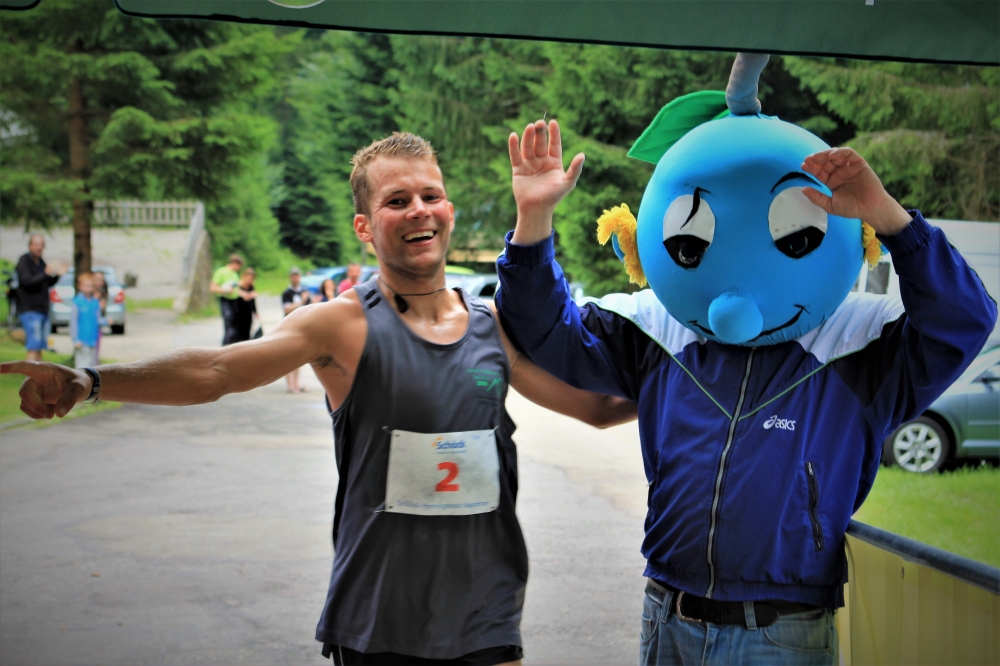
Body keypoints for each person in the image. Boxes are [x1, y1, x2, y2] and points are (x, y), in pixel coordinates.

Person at [2, 131, 637, 666]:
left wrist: (691, 364)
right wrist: (91, 381)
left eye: (430, 196)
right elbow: (216, 371)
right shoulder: (339, 325)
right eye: (397, 201)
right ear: (365, 227)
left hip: (487, 614)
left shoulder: (491, 324)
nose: (419, 210)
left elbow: (599, 408)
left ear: (448, 207)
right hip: (379, 622)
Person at [494, 119, 996, 665]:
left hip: (784, 631)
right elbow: (546, 329)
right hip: (668, 613)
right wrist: (534, 217)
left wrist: (891, 219)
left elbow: (964, 321)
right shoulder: (660, 327)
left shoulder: (860, 342)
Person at [15, 234, 62, 362]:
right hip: (30, 310)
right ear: (30, 245)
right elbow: (27, 281)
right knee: (33, 346)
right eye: (36, 244)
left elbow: (46, 282)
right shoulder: (24, 261)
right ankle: (30, 373)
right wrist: (45, 273)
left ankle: (38, 374)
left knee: (40, 346)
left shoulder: (40, 262)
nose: (39, 247)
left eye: (41, 245)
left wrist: (57, 275)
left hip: (43, 310)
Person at [281, 267, 312, 393]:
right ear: (290, 277)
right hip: (289, 327)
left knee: (298, 357)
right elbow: (287, 309)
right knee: (287, 356)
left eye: (297, 276)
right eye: (293, 276)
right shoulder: (286, 293)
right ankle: (290, 384)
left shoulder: (304, 291)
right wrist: (301, 302)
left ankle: (296, 383)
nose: (295, 278)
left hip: (301, 327)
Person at [210, 254, 244, 346]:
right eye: (239, 266)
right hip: (226, 300)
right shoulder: (221, 272)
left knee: (236, 326)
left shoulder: (234, 274)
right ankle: (225, 346)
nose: (239, 269)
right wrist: (224, 290)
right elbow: (213, 288)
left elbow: (236, 290)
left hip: (235, 301)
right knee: (229, 326)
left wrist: (245, 294)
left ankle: (233, 346)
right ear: (235, 263)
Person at [70, 272, 102, 369]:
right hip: (81, 340)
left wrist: (106, 321)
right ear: (80, 286)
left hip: (93, 339)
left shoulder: (95, 302)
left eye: (90, 286)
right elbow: (73, 321)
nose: (88, 288)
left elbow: (97, 319)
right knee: (82, 366)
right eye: (86, 285)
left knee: (91, 364)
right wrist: (75, 339)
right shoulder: (77, 302)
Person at [233, 268, 258, 343]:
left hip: (248, 311)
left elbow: (253, 301)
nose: (249, 280)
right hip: (238, 311)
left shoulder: (251, 286)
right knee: (238, 331)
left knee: (247, 331)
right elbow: (236, 296)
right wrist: (247, 295)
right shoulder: (238, 285)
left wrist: (255, 311)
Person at [91, 271, 109, 364]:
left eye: (101, 280)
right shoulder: (88, 293)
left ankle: (95, 363)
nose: (99, 282)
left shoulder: (103, 294)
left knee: (96, 348)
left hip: (98, 326)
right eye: (97, 279)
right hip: (88, 326)